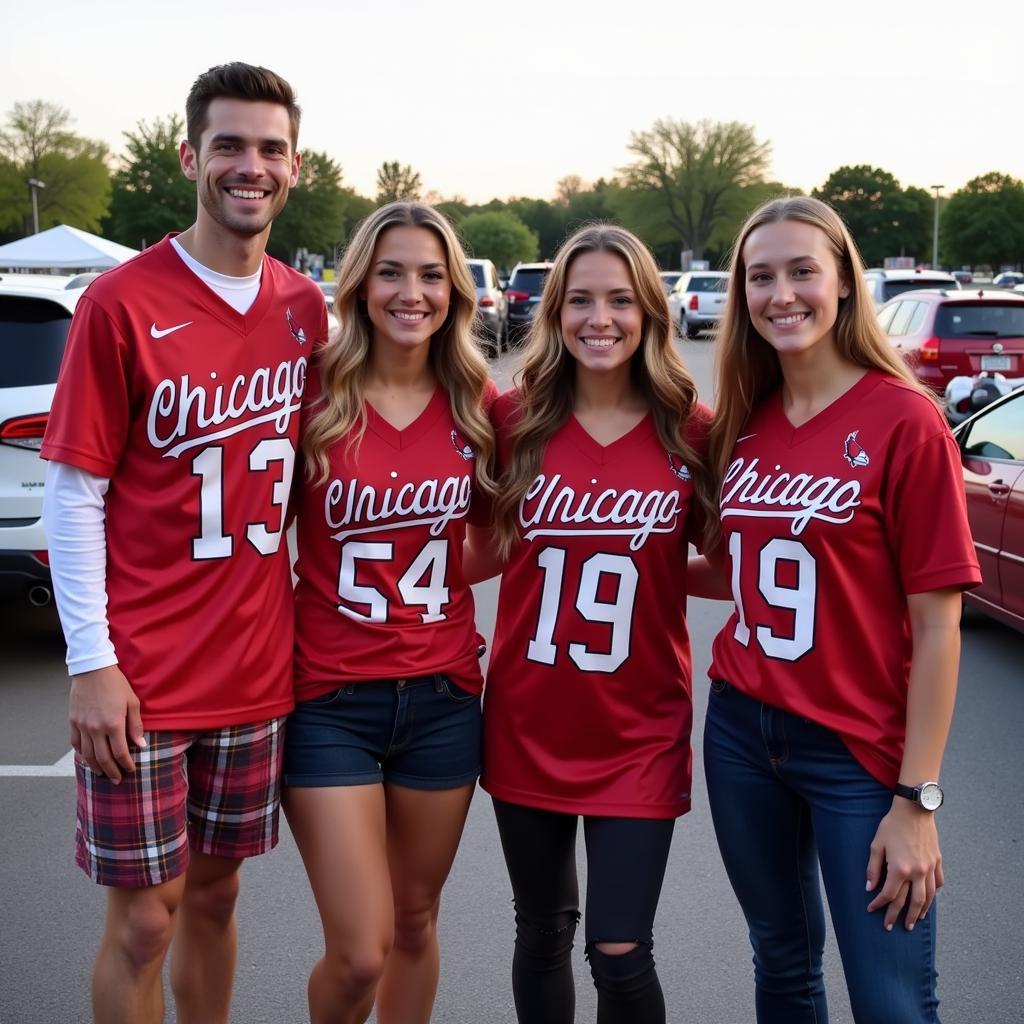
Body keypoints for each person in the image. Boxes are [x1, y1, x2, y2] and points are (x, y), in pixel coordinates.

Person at [40, 64, 325, 1024]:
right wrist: (92, 663)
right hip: (144, 675)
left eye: (270, 149)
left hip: (255, 667)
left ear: (297, 167)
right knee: (143, 924)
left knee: (215, 896)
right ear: (190, 156)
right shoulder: (120, 302)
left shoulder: (305, 310)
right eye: (231, 146)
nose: (251, 166)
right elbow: (75, 494)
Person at [692, 195, 980, 1023]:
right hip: (742, 734)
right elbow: (743, 571)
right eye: (761, 277)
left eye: (802, 272)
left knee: (891, 1001)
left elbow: (937, 625)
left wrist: (915, 801)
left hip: (860, 753)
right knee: (782, 968)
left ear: (845, 285)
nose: (782, 294)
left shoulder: (908, 421)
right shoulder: (744, 421)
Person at [464, 224, 716, 1024]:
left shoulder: (692, 426)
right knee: (541, 929)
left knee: (620, 949)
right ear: (554, 311)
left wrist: (649, 563)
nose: (598, 318)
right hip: (529, 716)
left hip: (639, 726)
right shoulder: (515, 418)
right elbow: (474, 547)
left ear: (649, 311)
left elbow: (739, 565)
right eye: (579, 300)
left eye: (619, 299)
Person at [282, 201, 497, 1024]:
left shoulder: (478, 399)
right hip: (330, 697)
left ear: (456, 291)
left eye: (432, 275)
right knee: (360, 948)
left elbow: (497, 538)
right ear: (361, 283)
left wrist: (429, 573)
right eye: (393, 272)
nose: (413, 292)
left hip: (442, 696)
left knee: (414, 922)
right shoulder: (311, 391)